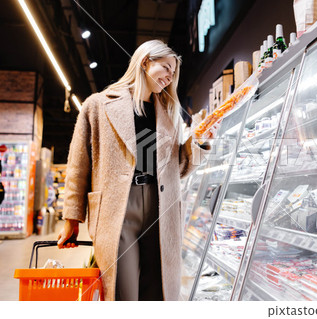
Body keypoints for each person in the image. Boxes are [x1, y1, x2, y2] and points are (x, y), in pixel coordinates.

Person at [57, 40, 210, 301]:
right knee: (122, 291)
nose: (170, 77)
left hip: (160, 207)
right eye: (166, 67)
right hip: (118, 208)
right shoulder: (98, 105)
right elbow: (78, 164)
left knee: (156, 289)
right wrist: (72, 219)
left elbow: (177, 169)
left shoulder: (167, 114)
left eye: (173, 73)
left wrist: (199, 141)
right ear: (145, 62)